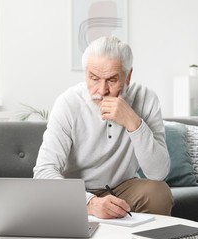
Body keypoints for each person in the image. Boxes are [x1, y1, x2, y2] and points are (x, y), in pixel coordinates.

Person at [33, 36, 173, 219]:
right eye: (94, 78)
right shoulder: (68, 103)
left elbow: (158, 173)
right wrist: (89, 202)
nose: (101, 90)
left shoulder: (146, 98)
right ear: (86, 75)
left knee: (158, 193)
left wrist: (133, 122)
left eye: (112, 80)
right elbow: (43, 170)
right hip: (76, 190)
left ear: (128, 76)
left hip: (123, 188)